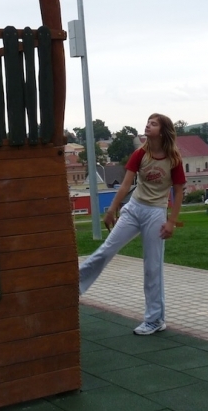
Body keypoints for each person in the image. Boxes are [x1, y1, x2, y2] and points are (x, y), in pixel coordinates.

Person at [78, 113, 186, 335]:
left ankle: (155, 320)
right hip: (134, 208)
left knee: (152, 267)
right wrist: (111, 210)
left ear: (163, 131)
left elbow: (178, 191)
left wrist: (171, 222)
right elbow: (126, 185)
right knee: (106, 250)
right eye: (148, 122)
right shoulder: (140, 154)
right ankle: (74, 286)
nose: (148, 125)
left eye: (153, 124)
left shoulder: (173, 159)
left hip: (156, 213)